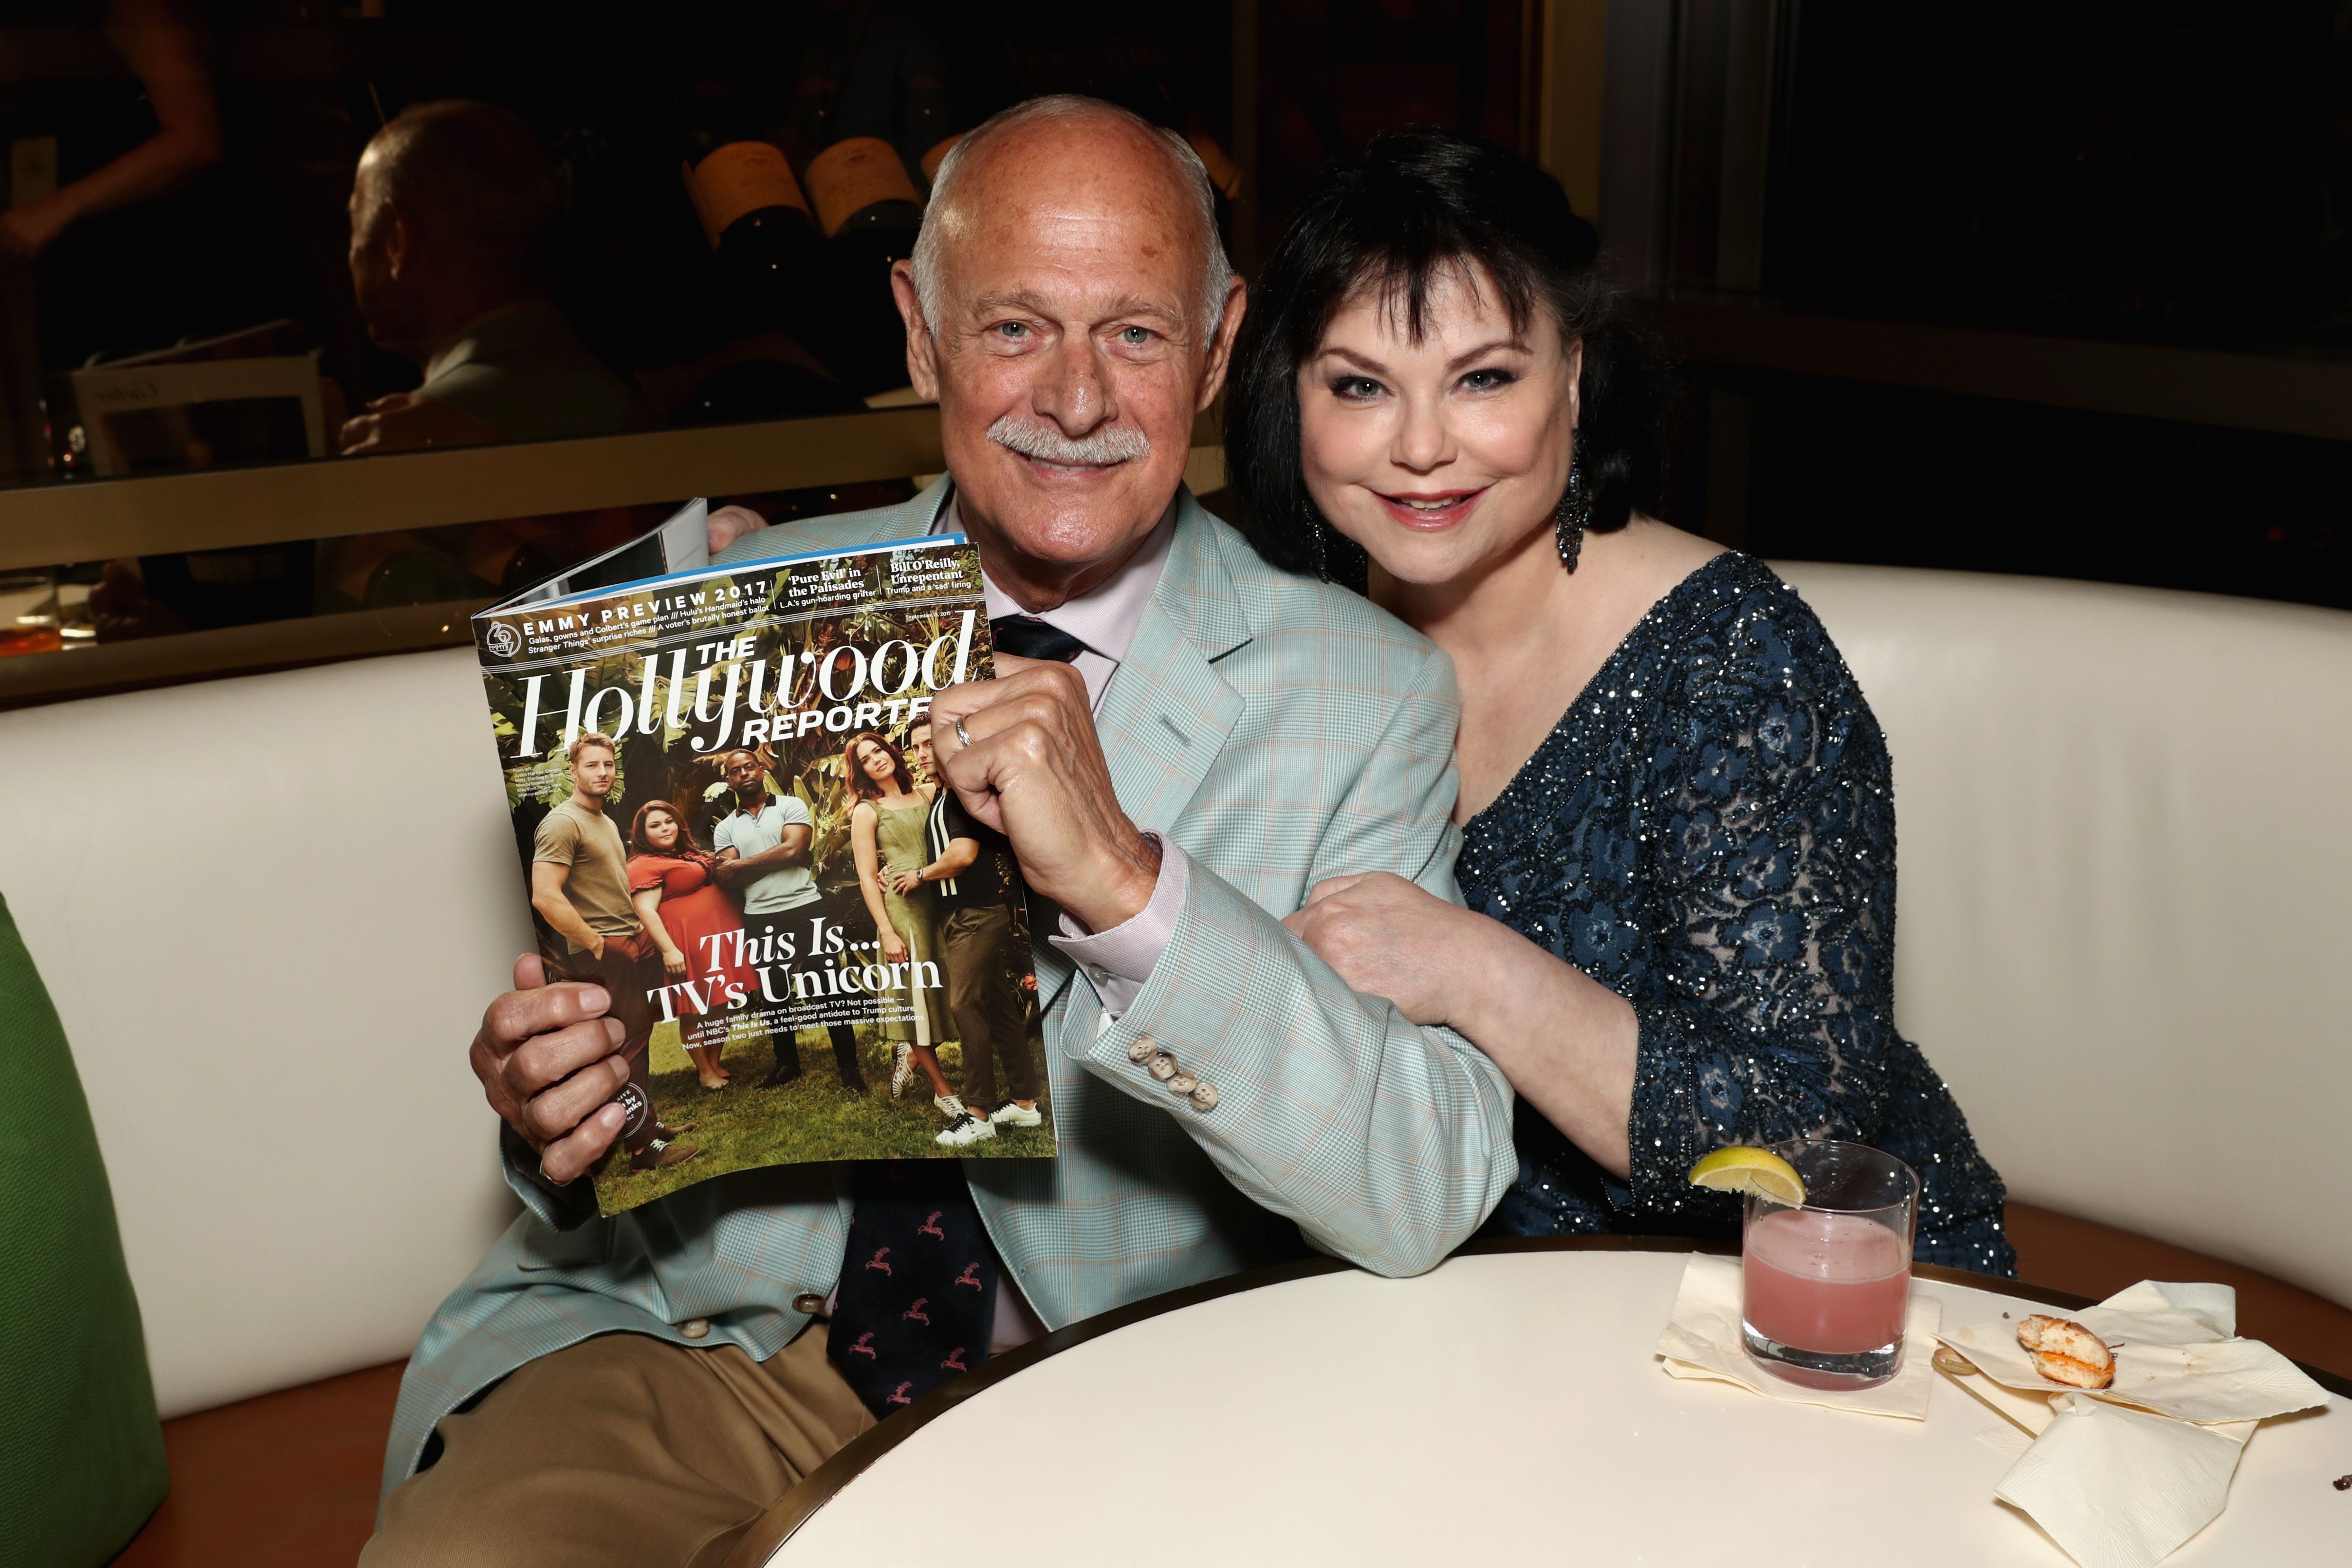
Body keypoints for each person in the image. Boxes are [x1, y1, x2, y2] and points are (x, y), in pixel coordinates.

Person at [371, 95, 1513, 1565]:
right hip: (694, 1346)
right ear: (919, 333)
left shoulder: (1366, 690)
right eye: (1017, 328)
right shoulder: (750, 606)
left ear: (1222, 352)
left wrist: (1129, 889)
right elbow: (635, 1057)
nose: (1080, 399)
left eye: (1138, 335)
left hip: (1096, 1388)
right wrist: (569, 1104)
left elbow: (1424, 1185)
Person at [1226, 129, 2013, 1272]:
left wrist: (1466, 964)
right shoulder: (1277, 629)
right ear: (1289, 396)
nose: (1419, 448)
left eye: (1482, 378)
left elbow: (1804, 1136)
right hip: (1446, 1301)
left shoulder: (1733, 663)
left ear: (1576, 375)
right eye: (1359, 386)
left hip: (1787, 1303)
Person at [340, 99, 648, 455]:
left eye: (355, 226)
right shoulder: (635, 409)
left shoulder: (409, 445)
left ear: (398, 240)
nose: (351, 255)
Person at [527, 733, 699, 1174]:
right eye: (592, 765)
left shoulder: (601, 820)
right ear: (573, 771)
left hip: (628, 940)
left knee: (637, 1037)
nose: (602, 772)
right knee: (627, 1046)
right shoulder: (562, 823)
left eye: (608, 765)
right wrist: (599, 944)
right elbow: (546, 897)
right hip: (606, 951)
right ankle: (643, 1149)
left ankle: (649, 1126)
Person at [901, 715, 1039, 1148]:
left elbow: (961, 855)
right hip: (964, 915)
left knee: (964, 1005)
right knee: (996, 1007)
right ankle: (1024, 1103)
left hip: (975, 915)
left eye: (929, 745)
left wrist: (918, 875)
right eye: (917, 748)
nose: (922, 754)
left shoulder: (959, 796)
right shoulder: (941, 795)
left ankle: (978, 1113)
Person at [709, 746, 869, 1094]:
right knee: (775, 995)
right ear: (729, 780)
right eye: (735, 771)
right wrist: (766, 860)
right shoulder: (726, 827)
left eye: (749, 767)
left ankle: (849, 1068)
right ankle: (787, 1065)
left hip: (805, 909)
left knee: (828, 987)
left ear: (761, 770)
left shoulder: (790, 806)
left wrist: (741, 864)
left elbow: (796, 851)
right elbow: (726, 877)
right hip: (760, 917)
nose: (744, 774)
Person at [842, 730, 959, 1118]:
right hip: (903, 912)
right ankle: (943, 1092)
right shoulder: (866, 811)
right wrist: (888, 931)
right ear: (860, 772)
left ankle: (910, 1054)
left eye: (879, 750)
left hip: (941, 904)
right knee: (916, 1002)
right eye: (866, 759)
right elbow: (866, 876)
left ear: (891, 753)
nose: (876, 759)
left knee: (946, 996)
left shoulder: (928, 793)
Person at [625, 801, 756, 1092]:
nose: (665, 828)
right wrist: (670, 951)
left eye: (669, 821)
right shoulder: (643, 864)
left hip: (718, 938)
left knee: (723, 1001)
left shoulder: (686, 853)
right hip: (686, 943)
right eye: (655, 825)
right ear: (642, 834)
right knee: (694, 1008)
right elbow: (645, 911)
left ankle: (715, 1061)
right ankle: (704, 1071)